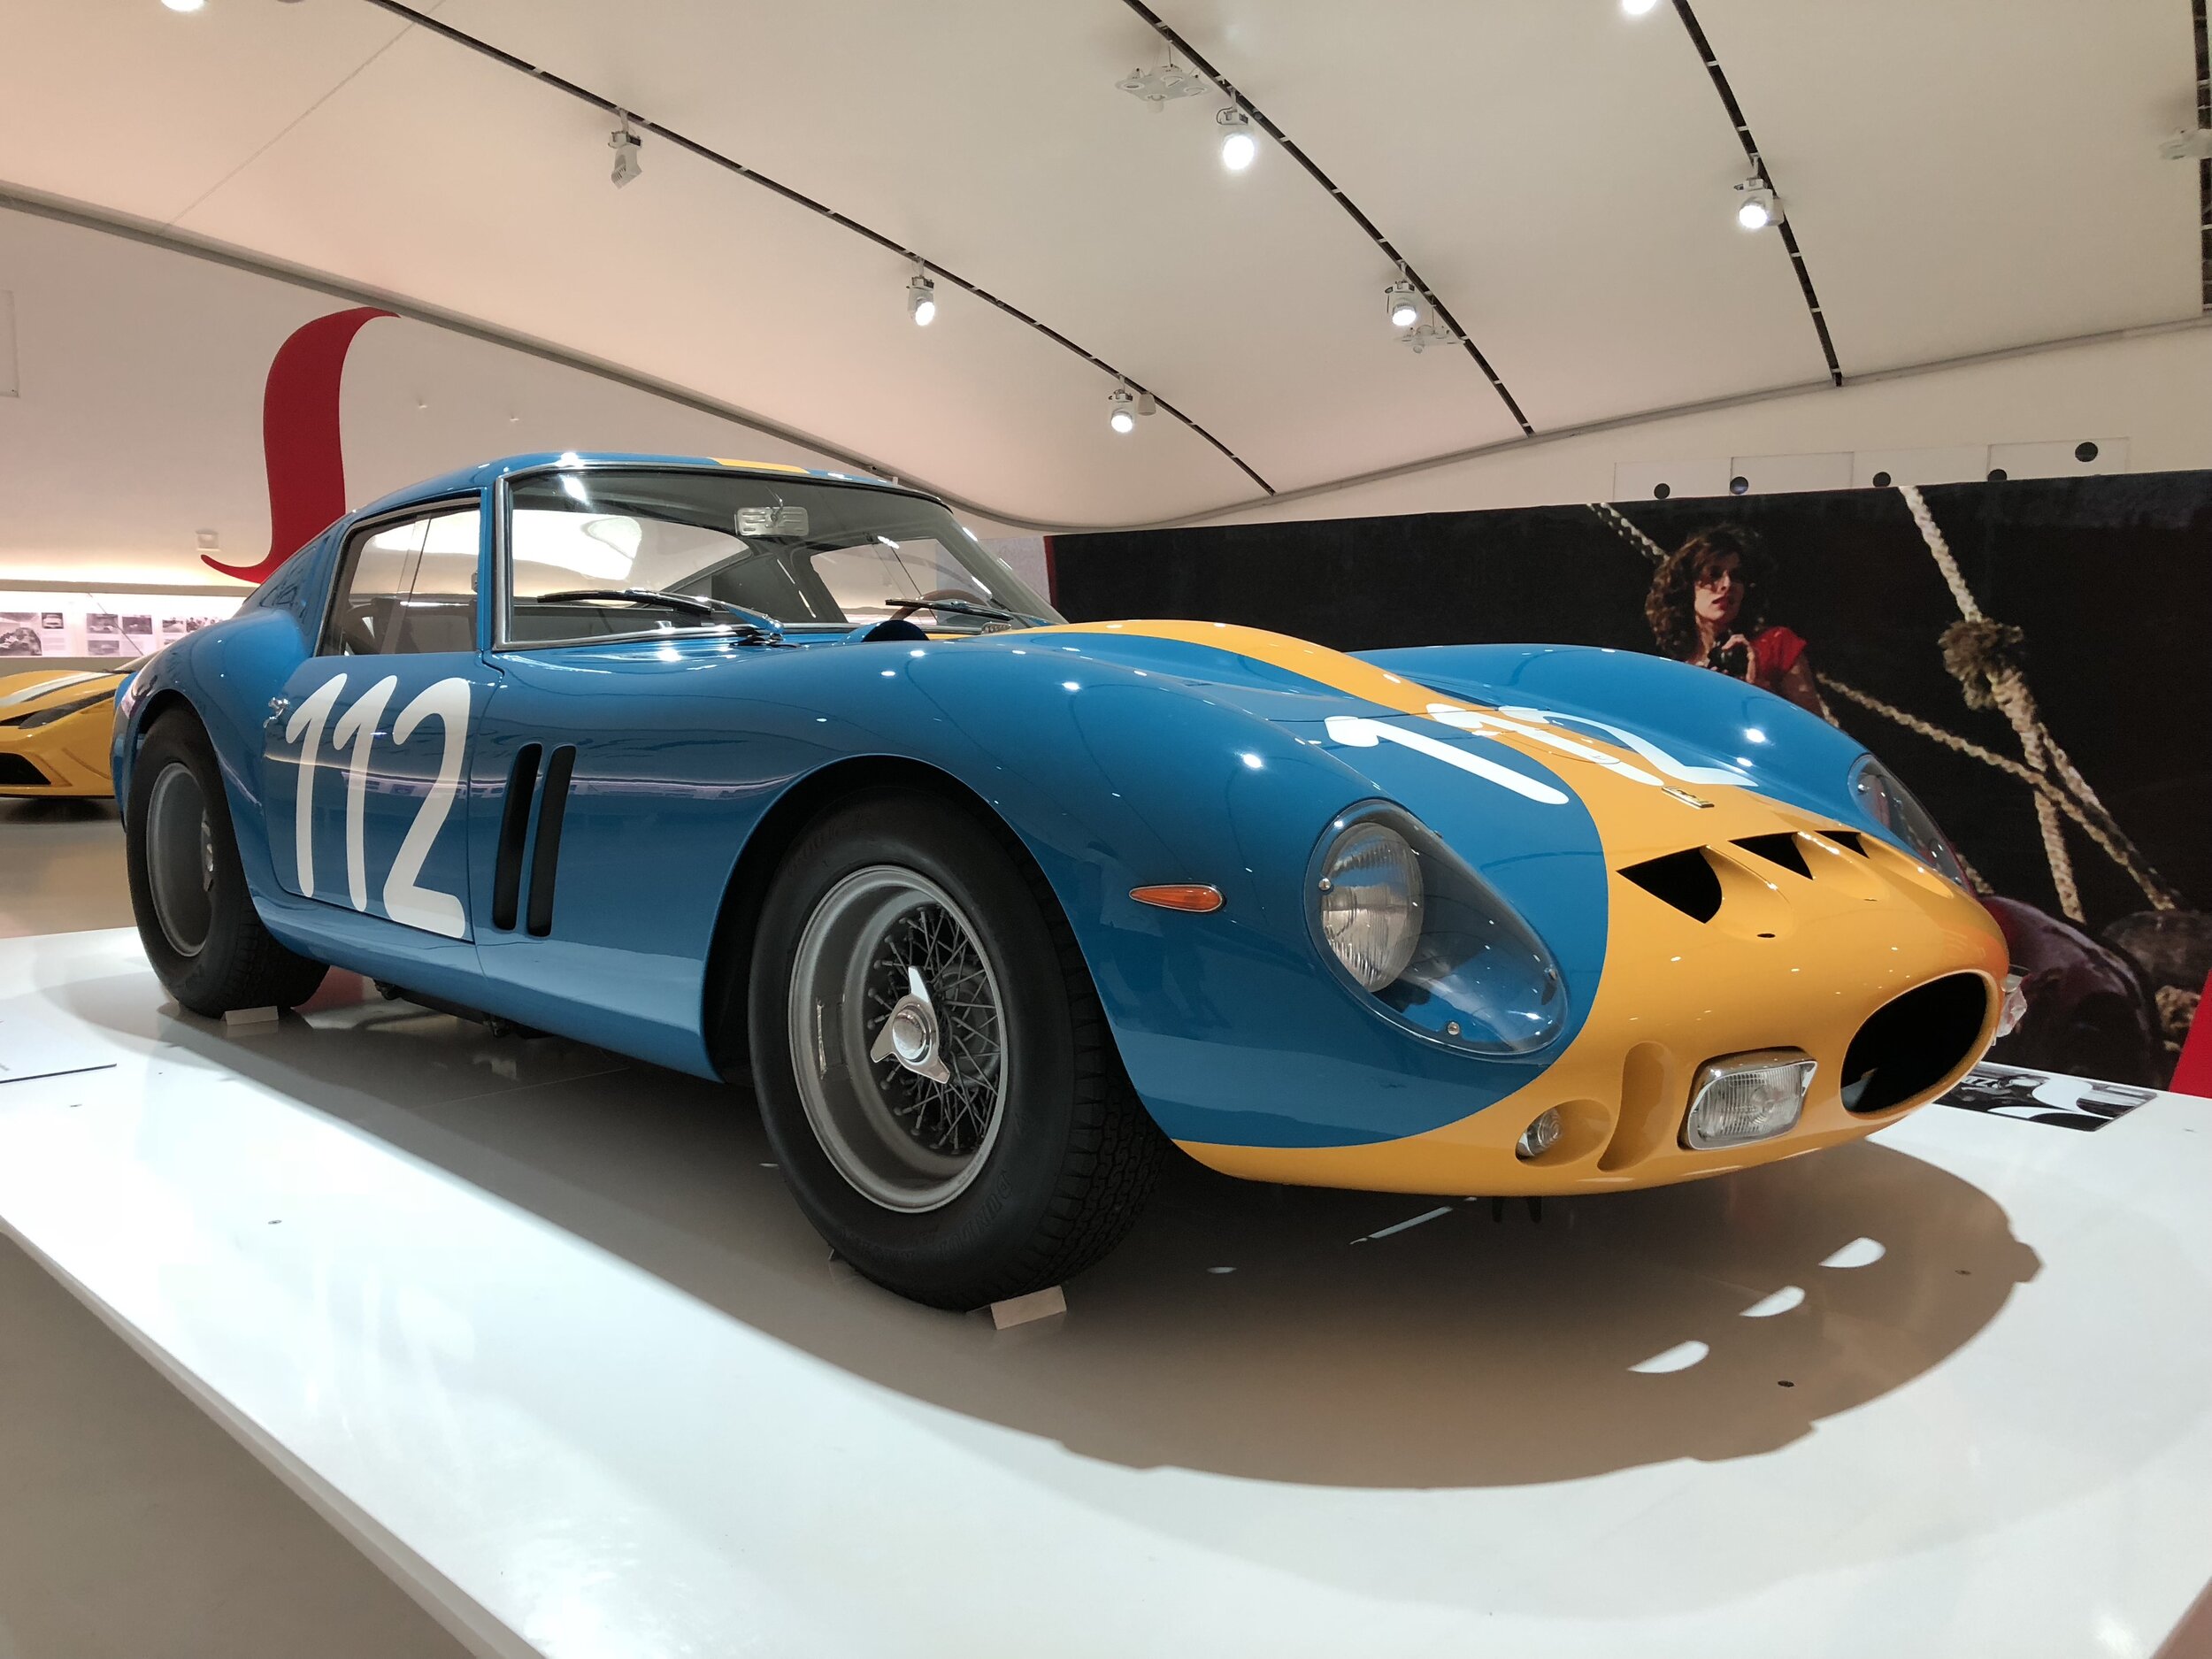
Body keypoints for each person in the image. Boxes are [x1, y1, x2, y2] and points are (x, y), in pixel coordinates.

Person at [1644, 523, 1830, 718]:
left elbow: (1814, 728)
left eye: (1737, 576)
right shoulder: (1679, 674)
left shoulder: (1777, 644)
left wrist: (1761, 692)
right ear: (1688, 586)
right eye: (1714, 574)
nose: (1727, 585)